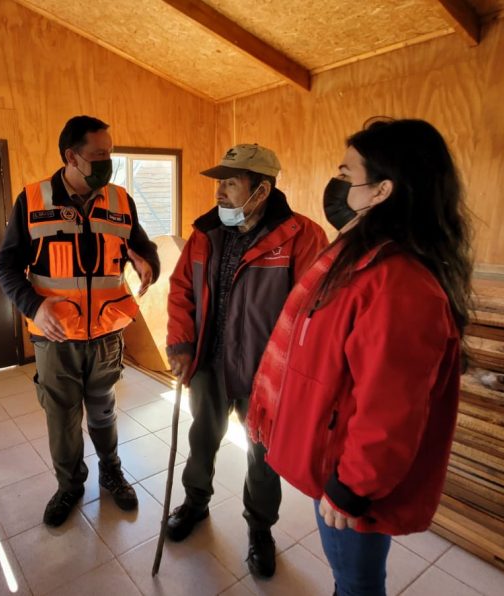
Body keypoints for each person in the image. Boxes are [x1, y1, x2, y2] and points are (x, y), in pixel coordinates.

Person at [248, 118, 472, 595]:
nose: (338, 182)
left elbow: (391, 410)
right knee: (348, 576)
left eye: (348, 174)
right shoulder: (356, 257)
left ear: (382, 190)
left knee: (356, 583)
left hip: (351, 477)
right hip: (332, 458)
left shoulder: (401, 283)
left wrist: (352, 487)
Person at [165, 143, 327, 577]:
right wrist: (180, 344)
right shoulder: (205, 233)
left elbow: (314, 312)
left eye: (231, 184)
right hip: (208, 365)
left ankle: (260, 529)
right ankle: (195, 504)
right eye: (219, 183)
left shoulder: (302, 237)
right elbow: (181, 290)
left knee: (262, 455)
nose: (219, 192)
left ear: (261, 190)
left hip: (265, 374)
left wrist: (297, 375)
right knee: (203, 439)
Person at [0, 115, 160, 527]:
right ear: (72, 156)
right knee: (62, 416)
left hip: (106, 333)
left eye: (110, 153)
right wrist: (35, 306)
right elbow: (6, 267)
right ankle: (69, 485)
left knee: (103, 411)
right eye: (99, 155)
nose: (108, 162)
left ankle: (111, 472)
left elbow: (140, 246)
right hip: (57, 337)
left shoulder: (121, 200)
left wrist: (149, 262)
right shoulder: (32, 200)